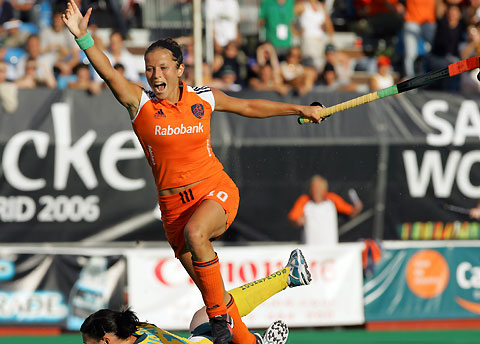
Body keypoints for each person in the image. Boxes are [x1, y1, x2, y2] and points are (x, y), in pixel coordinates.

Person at [61, 2, 322, 344]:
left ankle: (222, 330)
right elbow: (109, 72)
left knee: (200, 243)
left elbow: (249, 106)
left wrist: (300, 108)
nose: (155, 76)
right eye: (149, 68)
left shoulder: (204, 98)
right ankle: (259, 327)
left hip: (215, 192)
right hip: (174, 213)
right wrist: (84, 38)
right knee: (215, 300)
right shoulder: (140, 105)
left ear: (180, 69)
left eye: (163, 68)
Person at [79, 249, 311, 344]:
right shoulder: (138, 329)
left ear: (107, 341)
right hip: (200, 342)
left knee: (211, 310)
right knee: (205, 313)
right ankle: (288, 276)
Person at [288, 175, 363, 246]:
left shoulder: (332, 200)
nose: (315, 190)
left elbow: (351, 213)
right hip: (309, 249)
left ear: (325, 189)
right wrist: (297, 222)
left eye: (318, 188)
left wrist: (357, 208)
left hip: (329, 249)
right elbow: (292, 219)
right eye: (313, 187)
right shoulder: (304, 200)